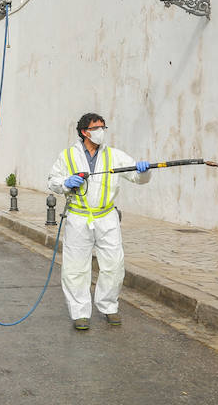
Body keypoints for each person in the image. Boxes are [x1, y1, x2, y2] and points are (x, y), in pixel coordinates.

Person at [46, 113, 152, 331]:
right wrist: (66, 182)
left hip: (107, 217)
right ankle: (80, 313)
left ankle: (109, 306)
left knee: (114, 264)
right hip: (78, 217)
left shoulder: (114, 155)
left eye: (103, 127)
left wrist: (144, 171)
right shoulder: (67, 156)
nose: (101, 131)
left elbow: (136, 176)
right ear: (85, 131)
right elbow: (53, 181)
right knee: (75, 268)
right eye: (97, 128)